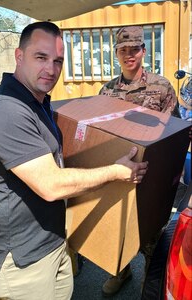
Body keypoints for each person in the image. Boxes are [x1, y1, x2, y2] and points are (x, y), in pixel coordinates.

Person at [0, 21, 148, 300]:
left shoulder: (38, 103)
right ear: (19, 56)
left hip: (52, 243)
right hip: (24, 260)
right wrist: (115, 171)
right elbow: (51, 185)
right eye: (40, 58)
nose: (51, 69)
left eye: (58, 61)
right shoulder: (7, 110)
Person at [99, 25, 179, 297]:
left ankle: (150, 277)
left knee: (151, 232)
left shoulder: (161, 86)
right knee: (117, 229)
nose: (129, 54)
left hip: (151, 175)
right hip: (118, 171)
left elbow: (174, 131)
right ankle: (120, 271)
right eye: (123, 50)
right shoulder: (107, 91)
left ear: (143, 51)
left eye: (134, 49)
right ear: (117, 54)